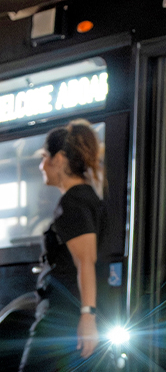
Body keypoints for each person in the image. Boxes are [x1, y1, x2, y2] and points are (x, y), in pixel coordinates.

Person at [20, 119, 106, 372]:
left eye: (44, 157)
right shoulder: (86, 198)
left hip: (62, 315)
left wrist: (87, 317)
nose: (41, 165)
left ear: (59, 159)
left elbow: (85, 262)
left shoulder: (73, 204)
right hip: (69, 312)